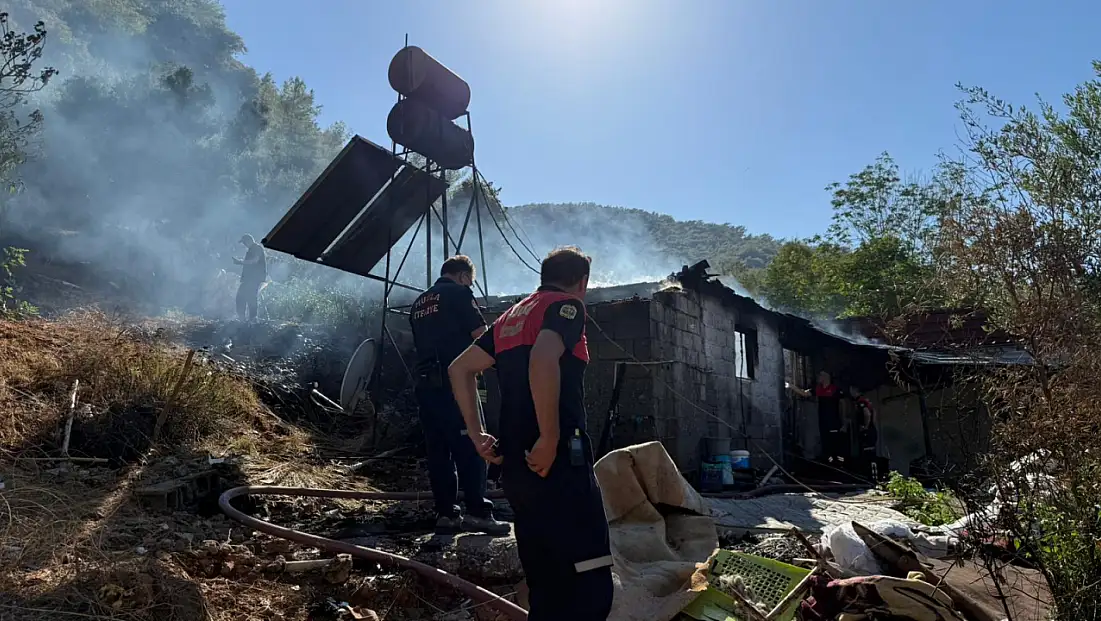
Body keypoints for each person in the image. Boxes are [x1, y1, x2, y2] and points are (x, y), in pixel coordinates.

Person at [448, 246, 614, 621]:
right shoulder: (565, 307)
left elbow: (460, 369)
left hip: (516, 464)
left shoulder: (508, 318)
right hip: (557, 460)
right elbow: (543, 358)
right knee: (589, 572)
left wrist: (478, 437)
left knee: (544, 573)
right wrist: (550, 438)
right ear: (582, 283)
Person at [408, 255, 509, 536]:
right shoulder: (459, 293)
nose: (471, 286)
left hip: (425, 385)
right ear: (464, 276)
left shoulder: (419, 303)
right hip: (456, 382)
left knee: (439, 450)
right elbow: (481, 336)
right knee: (472, 442)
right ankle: (478, 511)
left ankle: (446, 514)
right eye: (471, 282)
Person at [788, 371, 848, 466]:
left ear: (826, 377)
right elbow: (804, 393)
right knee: (826, 445)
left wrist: (844, 422)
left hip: (834, 422)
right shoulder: (818, 389)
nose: (818, 377)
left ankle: (841, 466)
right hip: (823, 423)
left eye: (820, 375)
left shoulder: (835, 390)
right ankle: (830, 466)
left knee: (836, 445)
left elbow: (843, 405)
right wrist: (790, 386)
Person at [233, 234, 266, 322]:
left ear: (248, 241)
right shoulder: (252, 249)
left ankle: (251, 320)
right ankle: (245, 319)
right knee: (242, 297)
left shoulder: (257, 248)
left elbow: (255, 261)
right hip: (249, 278)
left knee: (249, 298)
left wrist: (240, 262)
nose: (244, 244)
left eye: (244, 242)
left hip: (254, 278)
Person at [850, 386, 880, 480]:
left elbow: (867, 413)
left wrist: (866, 427)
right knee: (872, 454)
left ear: (855, 391)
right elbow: (874, 412)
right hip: (872, 430)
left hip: (867, 432)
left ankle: (870, 479)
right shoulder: (867, 401)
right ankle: (874, 477)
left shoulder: (861, 402)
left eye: (851, 390)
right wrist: (872, 424)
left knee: (867, 456)